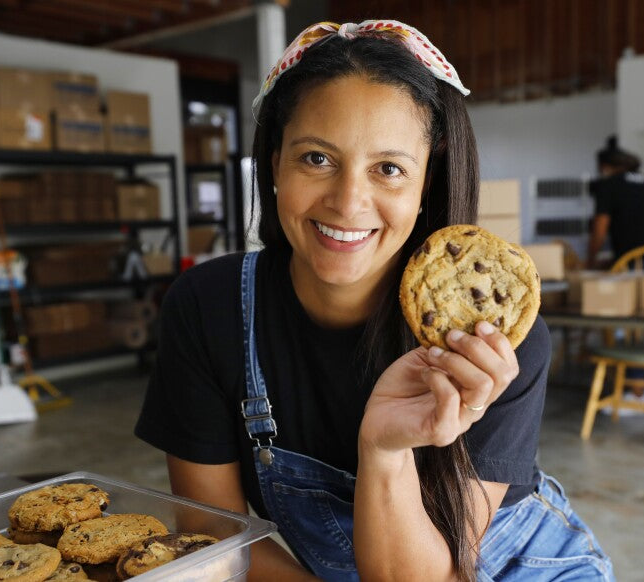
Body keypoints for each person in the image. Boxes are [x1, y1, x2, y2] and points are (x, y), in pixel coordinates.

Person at [135, 19, 613, 582]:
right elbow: (216, 537)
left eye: (389, 169)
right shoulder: (207, 308)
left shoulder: (494, 342)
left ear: (424, 187)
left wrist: (385, 452)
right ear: (273, 165)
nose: (348, 202)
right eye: (316, 158)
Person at [587, 136, 644, 269]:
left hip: (631, 262)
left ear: (605, 166)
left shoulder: (608, 185)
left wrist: (590, 260)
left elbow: (600, 228)